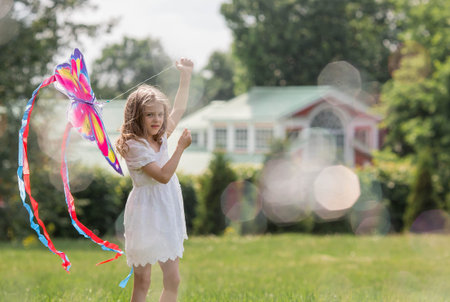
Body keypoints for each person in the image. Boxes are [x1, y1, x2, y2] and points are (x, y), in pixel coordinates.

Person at [115, 58, 194, 302]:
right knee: (143, 280)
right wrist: (180, 148)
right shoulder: (134, 145)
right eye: (150, 115)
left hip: (166, 208)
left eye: (160, 114)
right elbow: (162, 176)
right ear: (136, 116)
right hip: (145, 213)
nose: (157, 120)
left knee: (173, 279)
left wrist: (186, 75)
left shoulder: (159, 136)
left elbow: (178, 109)